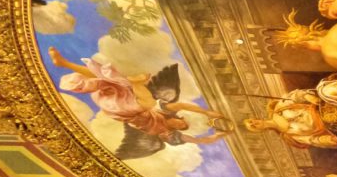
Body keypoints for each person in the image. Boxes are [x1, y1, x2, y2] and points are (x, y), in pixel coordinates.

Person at [50, 48, 229, 148]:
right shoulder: (166, 113)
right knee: (103, 79)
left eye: (180, 126)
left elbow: (200, 140)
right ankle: (64, 63)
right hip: (125, 99)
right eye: (181, 121)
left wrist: (219, 135)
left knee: (147, 103)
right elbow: (184, 106)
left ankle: (137, 83)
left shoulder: (167, 135)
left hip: (126, 112)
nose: (178, 123)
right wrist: (208, 113)